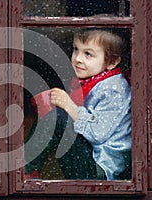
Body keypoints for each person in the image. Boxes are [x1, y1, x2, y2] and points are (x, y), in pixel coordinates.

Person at [50, 29, 131, 180]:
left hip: (101, 169)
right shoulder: (94, 82)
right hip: (91, 158)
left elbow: (97, 134)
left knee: (58, 116)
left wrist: (69, 106)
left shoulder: (114, 89)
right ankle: (27, 168)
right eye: (76, 49)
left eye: (88, 54)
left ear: (112, 62)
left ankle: (24, 169)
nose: (78, 59)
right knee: (55, 115)